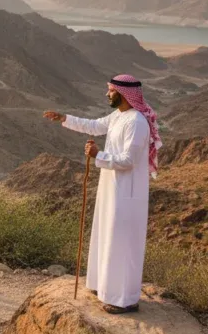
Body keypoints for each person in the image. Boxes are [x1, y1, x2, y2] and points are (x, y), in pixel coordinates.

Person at [43, 74, 161, 314]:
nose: (107, 94)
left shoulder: (136, 122)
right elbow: (95, 126)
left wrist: (98, 155)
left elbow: (128, 160)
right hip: (112, 189)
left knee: (122, 244)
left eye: (111, 91)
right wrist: (64, 118)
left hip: (127, 195)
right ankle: (105, 287)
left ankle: (124, 299)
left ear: (124, 94)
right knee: (107, 237)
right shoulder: (119, 116)